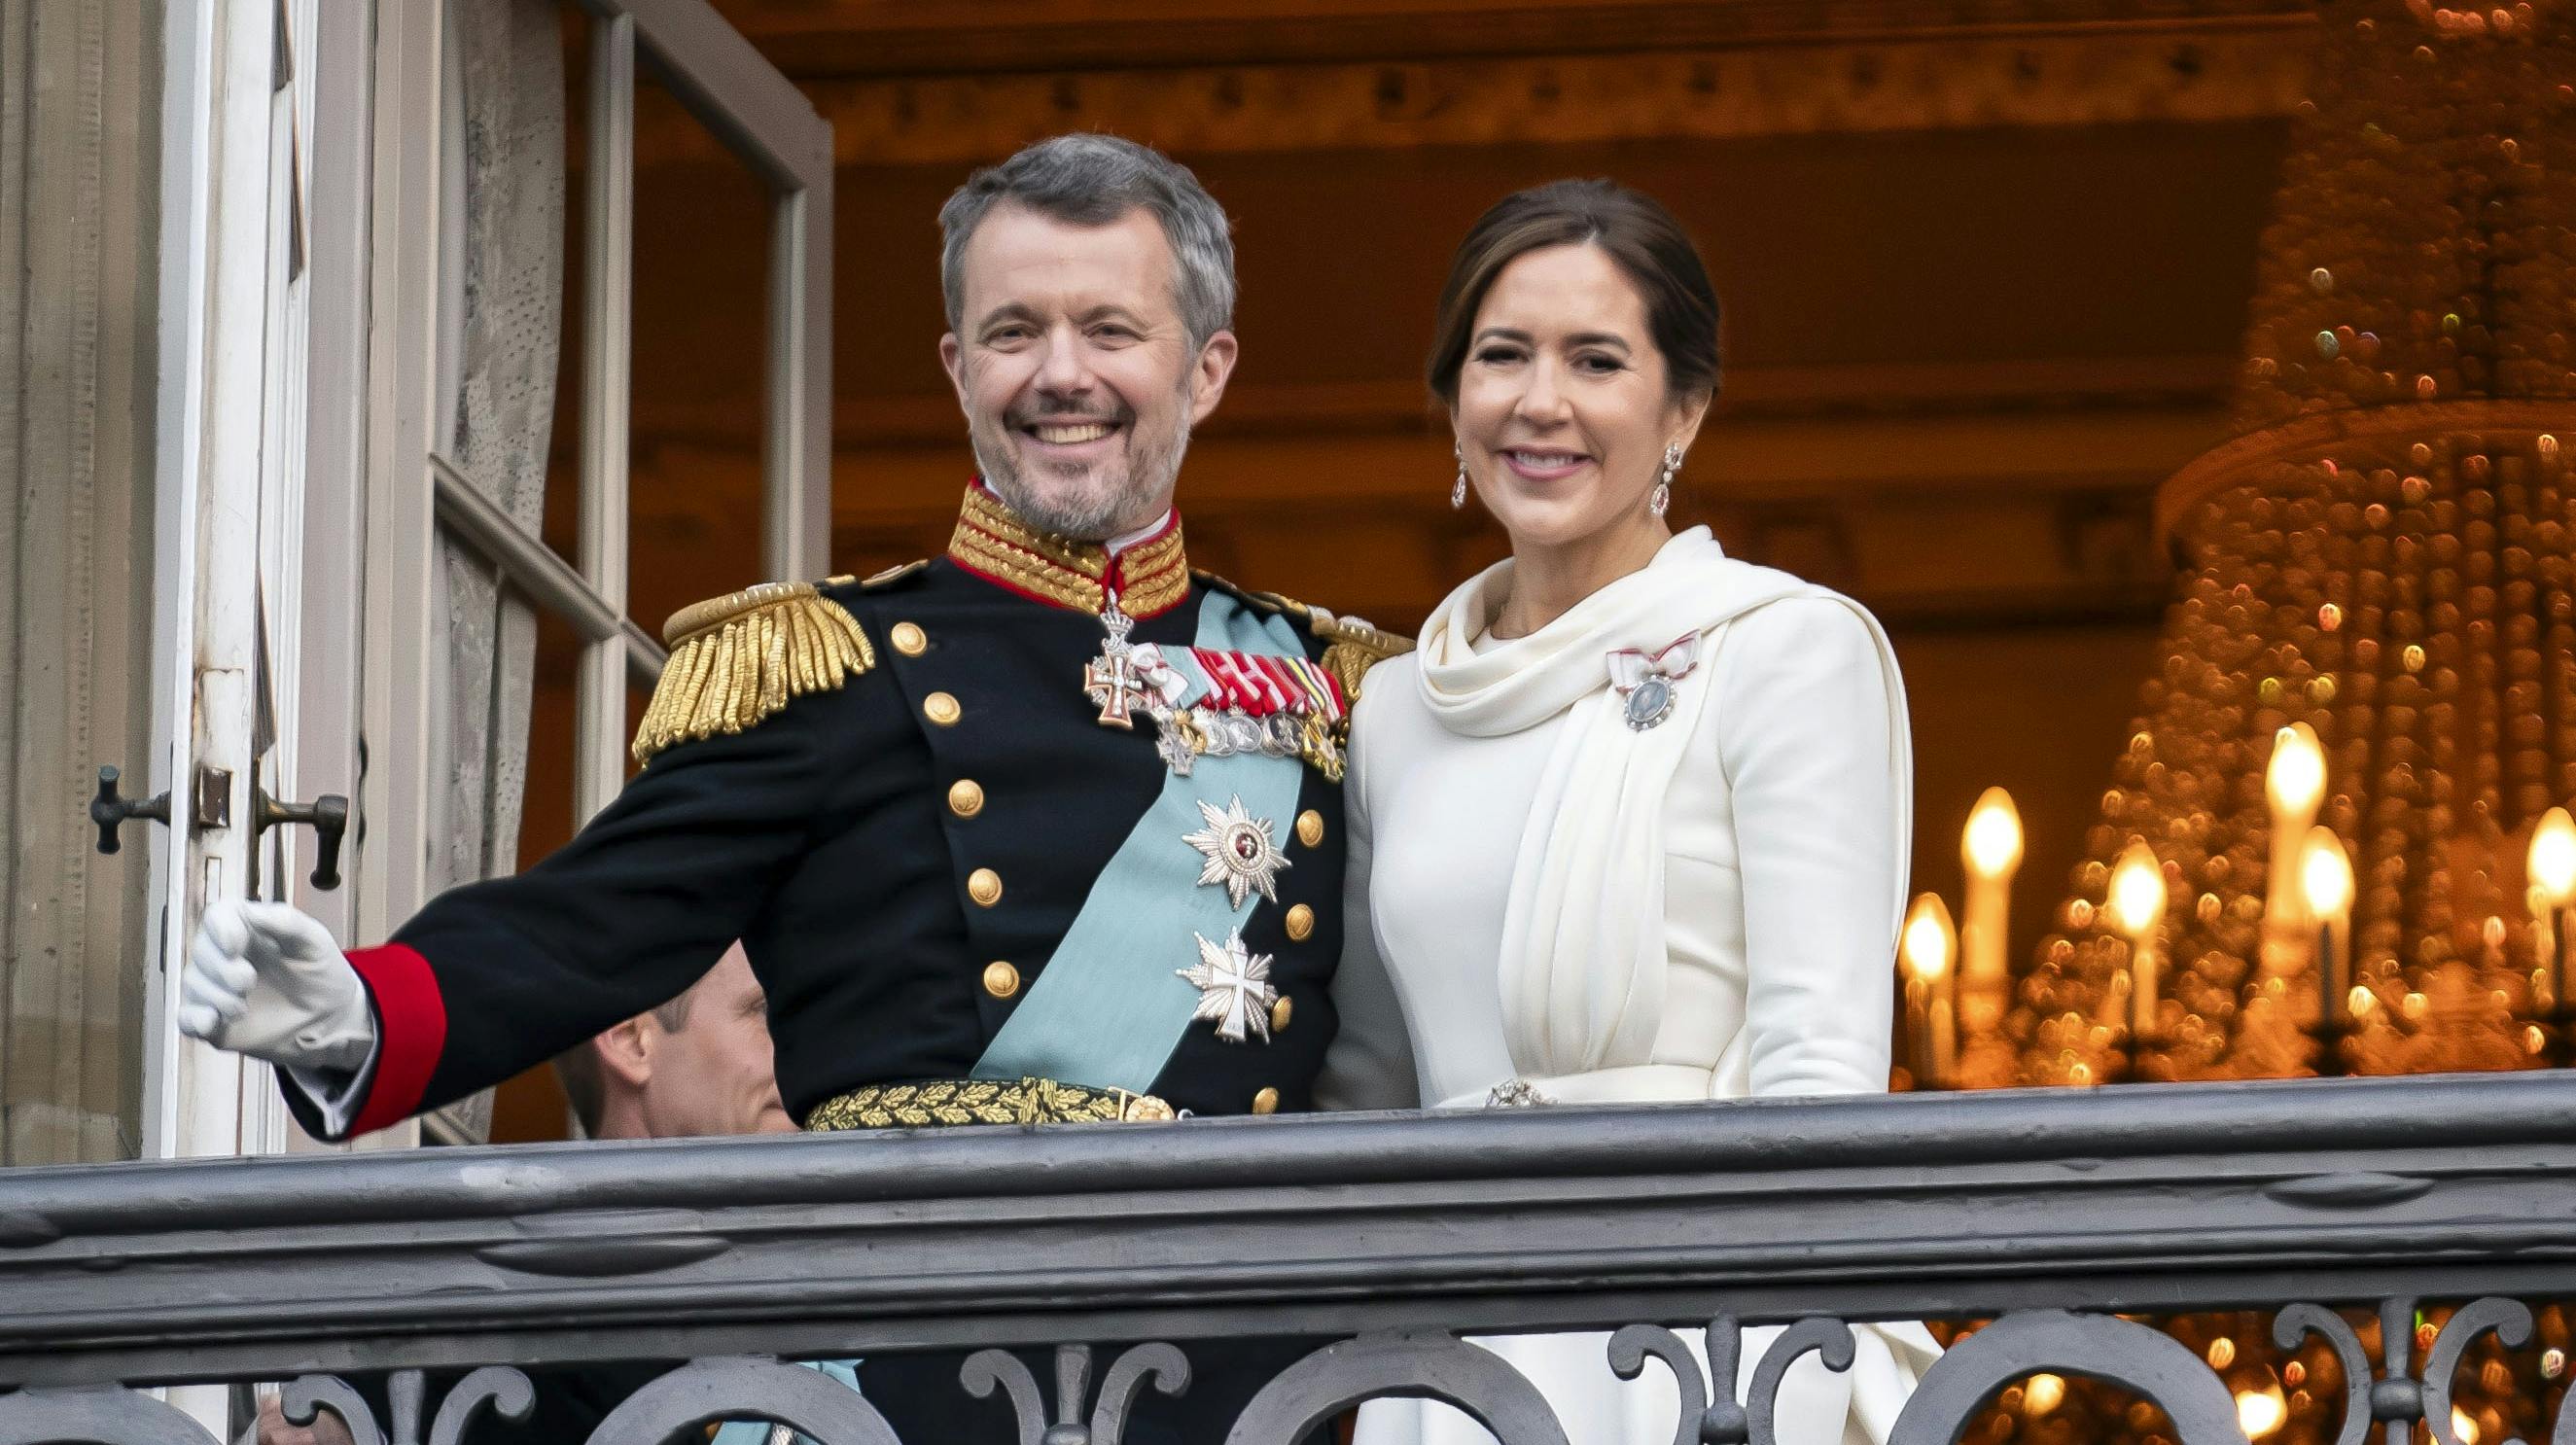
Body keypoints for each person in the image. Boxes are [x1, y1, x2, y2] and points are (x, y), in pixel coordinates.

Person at [185, 132, 1409, 1443]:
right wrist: (362, 1010)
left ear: (1205, 369)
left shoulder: (1331, 690)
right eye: (1014, 332)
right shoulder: (835, 667)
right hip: (906, 1386)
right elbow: (602, 917)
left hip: (1222, 1393)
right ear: (958, 367)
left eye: (1110, 329)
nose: (1061, 373)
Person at [1321, 180, 1939, 1445]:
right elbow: (1369, 1092)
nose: (1540, 401)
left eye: (1596, 360)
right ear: (1453, 398)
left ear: (1683, 408)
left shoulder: (1784, 649)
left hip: (1702, 1337)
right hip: (1448, 1357)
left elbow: (1819, 1073)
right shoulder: (1391, 709)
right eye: (1502, 355)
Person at [256, 944, 795, 1445]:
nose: (812, 1053)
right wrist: (331, 1428)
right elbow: (309, 1424)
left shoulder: (821, 1263)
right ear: (631, 1040)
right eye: (767, 1012)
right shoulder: (500, 1304)